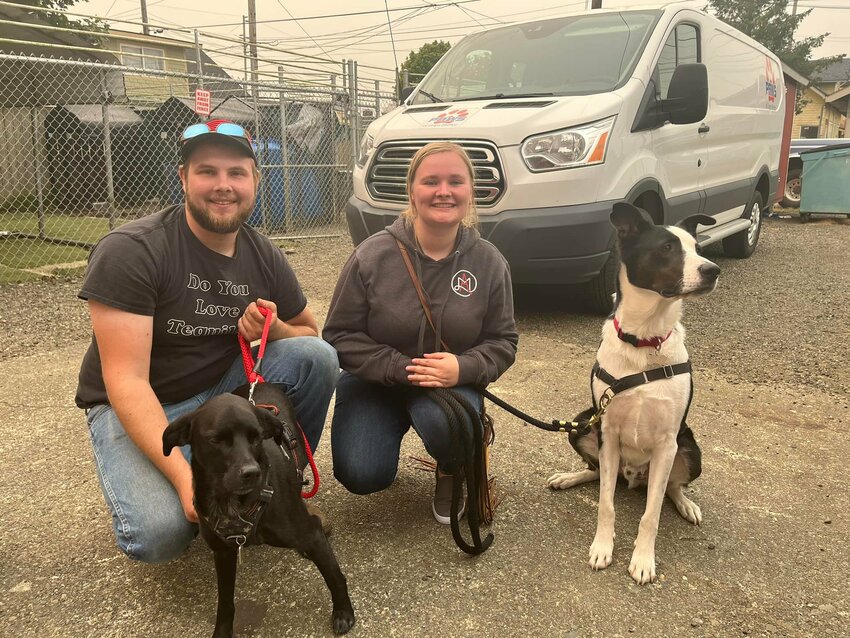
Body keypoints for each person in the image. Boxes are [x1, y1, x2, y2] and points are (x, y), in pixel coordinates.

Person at [75, 119, 338, 563]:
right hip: (143, 401)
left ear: (255, 180)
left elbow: (310, 334)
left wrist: (273, 329)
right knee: (158, 537)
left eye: (236, 173)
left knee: (316, 358)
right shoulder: (133, 250)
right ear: (183, 178)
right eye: (207, 172)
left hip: (222, 391)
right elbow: (125, 380)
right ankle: (191, 481)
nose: (223, 186)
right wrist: (184, 482)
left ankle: (279, 490)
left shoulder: (263, 253)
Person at [323, 141, 518, 524]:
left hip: (449, 386)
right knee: (362, 473)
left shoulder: (490, 262)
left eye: (455, 181)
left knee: (445, 426)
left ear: (470, 192)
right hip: (375, 384)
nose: (443, 191)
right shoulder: (371, 255)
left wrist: (463, 369)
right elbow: (339, 334)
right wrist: (400, 368)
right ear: (412, 191)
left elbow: (504, 340)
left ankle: (453, 465)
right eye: (431, 181)